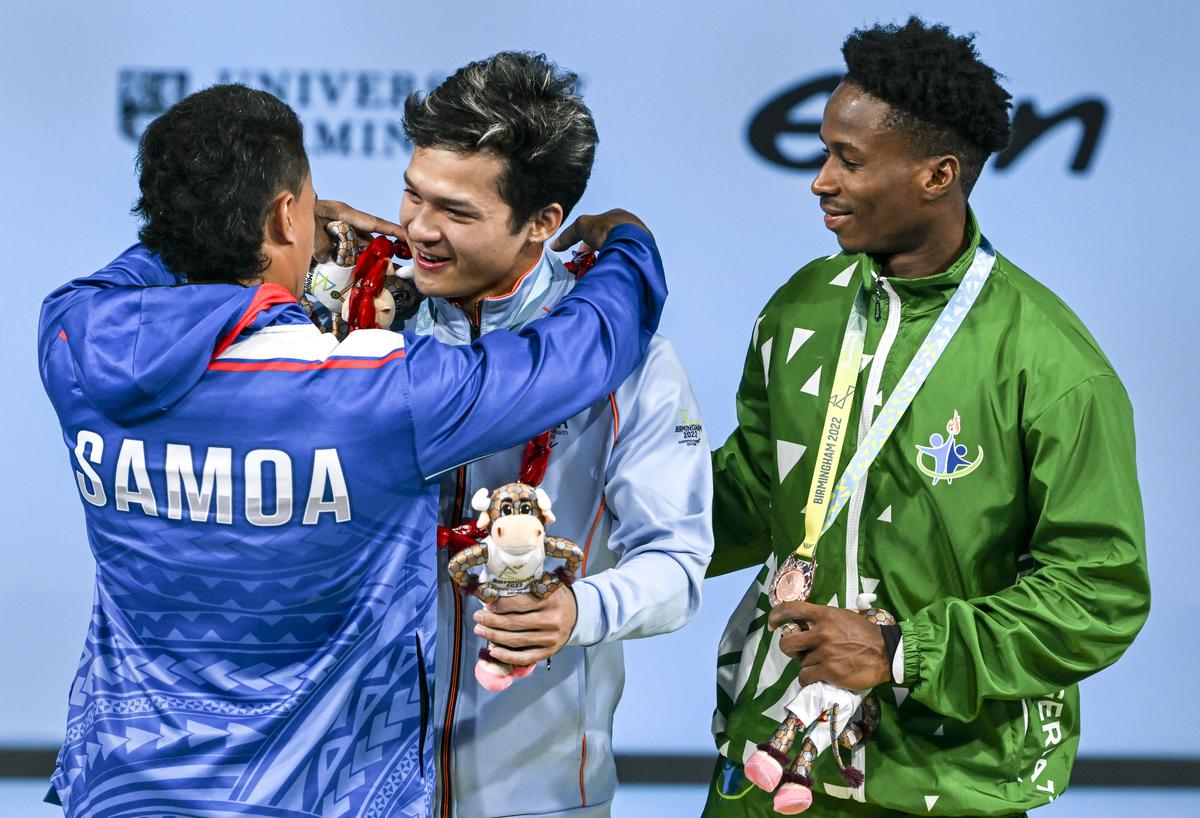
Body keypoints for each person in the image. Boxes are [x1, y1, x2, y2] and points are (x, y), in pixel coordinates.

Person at [36, 83, 667, 818]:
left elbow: (138, 270)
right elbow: (578, 353)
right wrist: (630, 247)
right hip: (314, 798)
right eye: (301, 203)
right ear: (283, 214)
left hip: (123, 791)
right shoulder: (365, 389)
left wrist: (239, 224)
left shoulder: (73, 340)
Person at [704, 17, 1148, 817]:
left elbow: (1099, 591)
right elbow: (748, 492)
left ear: (938, 174)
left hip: (943, 783)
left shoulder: (1050, 362)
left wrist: (905, 650)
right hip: (767, 757)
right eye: (823, 152)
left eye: (849, 159)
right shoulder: (803, 305)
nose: (820, 181)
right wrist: (605, 538)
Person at [392, 52, 712, 818]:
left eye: (457, 213)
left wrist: (578, 612)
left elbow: (677, 562)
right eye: (412, 194)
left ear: (544, 223)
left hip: (537, 798)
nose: (420, 230)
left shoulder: (630, 361)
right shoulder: (358, 323)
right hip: (353, 791)